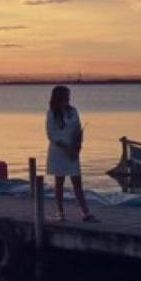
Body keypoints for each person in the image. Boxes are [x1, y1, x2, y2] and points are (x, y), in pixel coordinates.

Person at [45, 85, 97, 223]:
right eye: (66, 95)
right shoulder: (52, 113)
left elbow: (78, 130)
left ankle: (86, 212)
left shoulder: (73, 111)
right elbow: (51, 134)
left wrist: (77, 147)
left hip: (73, 151)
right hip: (59, 151)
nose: (69, 98)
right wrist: (66, 148)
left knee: (77, 182)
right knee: (59, 183)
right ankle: (61, 213)